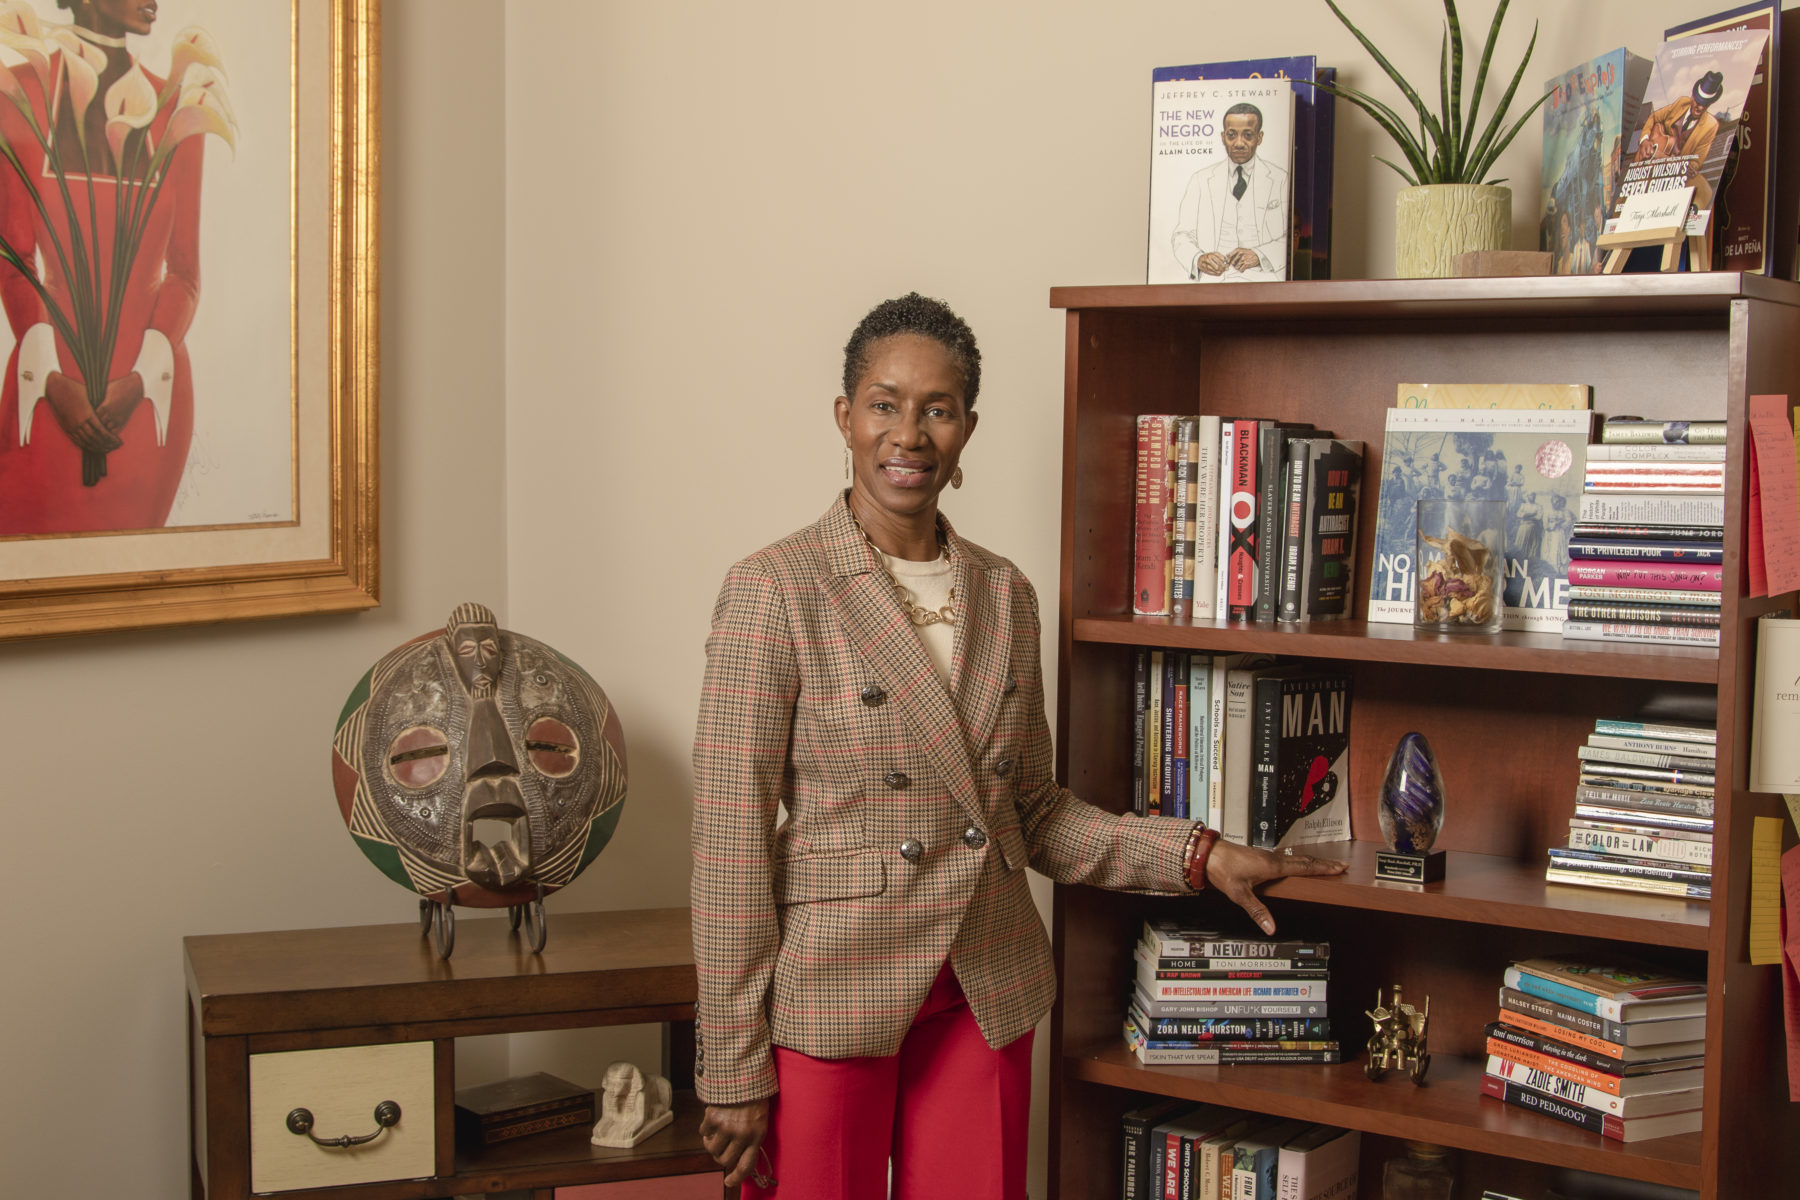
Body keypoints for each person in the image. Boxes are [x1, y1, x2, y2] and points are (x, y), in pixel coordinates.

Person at [691, 293, 1344, 1199]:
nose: (908, 434)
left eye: (938, 409)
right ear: (844, 418)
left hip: (984, 987)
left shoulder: (1006, 594)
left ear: (967, 430)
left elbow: (1032, 810)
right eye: (884, 404)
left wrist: (1199, 855)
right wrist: (730, 1064)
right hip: (833, 991)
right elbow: (728, 839)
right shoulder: (775, 589)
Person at [0, 0, 220, 535]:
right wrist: (52, 381)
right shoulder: (16, 94)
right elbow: (14, 260)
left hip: (145, 408)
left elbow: (185, 271)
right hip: (47, 395)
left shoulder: (179, 109)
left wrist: (140, 379)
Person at [1171, 102, 1290, 281]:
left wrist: (1259, 255)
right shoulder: (1201, 179)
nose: (1239, 143)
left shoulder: (1281, 179)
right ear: (1222, 137)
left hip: (1266, 281)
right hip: (1213, 284)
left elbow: (1291, 237)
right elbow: (1181, 235)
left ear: (1259, 138)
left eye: (1248, 135)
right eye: (1232, 135)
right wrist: (1199, 259)